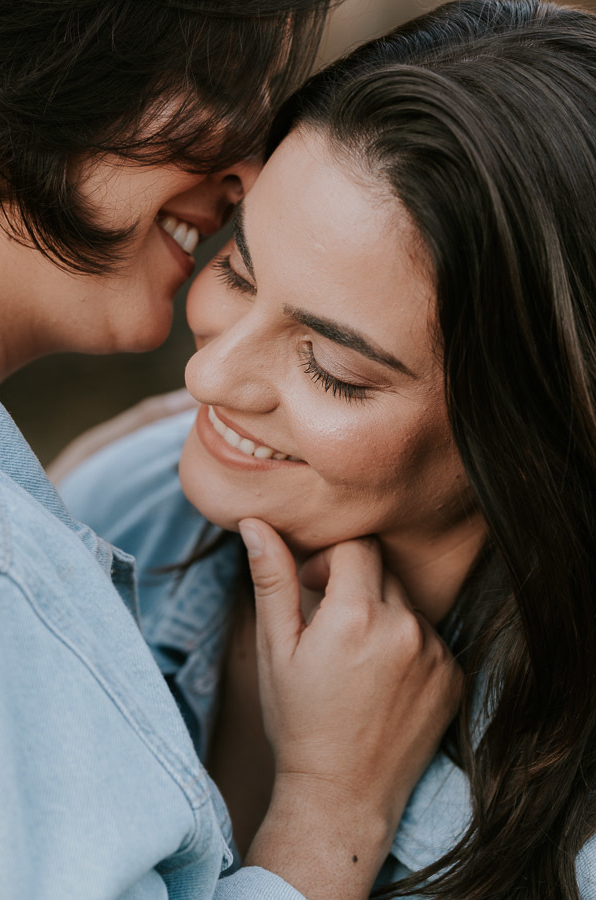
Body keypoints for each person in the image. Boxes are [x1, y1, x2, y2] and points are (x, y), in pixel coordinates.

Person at [60, 0, 596, 897]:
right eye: (237, 268)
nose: (210, 379)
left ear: (524, 433)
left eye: (335, 368)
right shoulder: (120, 504)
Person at [0, 2, 417, 898]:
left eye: (335, 366)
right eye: (217, 82)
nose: (250, 167)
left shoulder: (101, 496)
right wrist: (328, 819)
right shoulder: (47, 551)